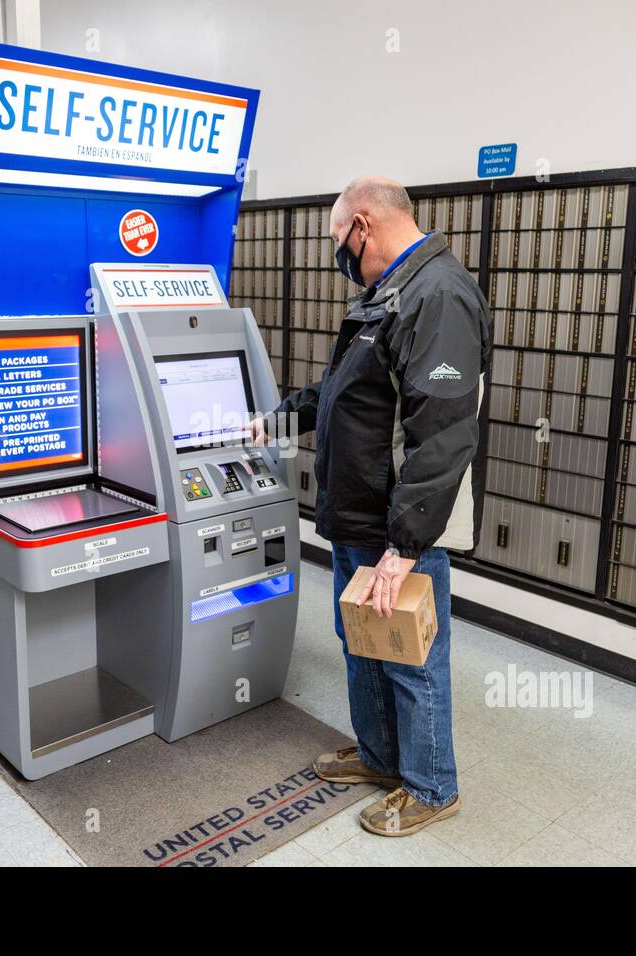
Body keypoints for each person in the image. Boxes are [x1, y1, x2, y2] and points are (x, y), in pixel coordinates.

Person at [250, 176, 492, 837]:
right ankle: (384, 757)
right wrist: (280, 418)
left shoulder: (437, 296)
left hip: (397, 525)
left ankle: (432, 786)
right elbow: (346, 390)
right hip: (358, 514)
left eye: (338, 240)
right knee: (363, 644)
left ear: (362, 226)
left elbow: (441, 434)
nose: (340, 255)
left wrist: (404, 546)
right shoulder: (388, 295)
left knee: (411, 655)